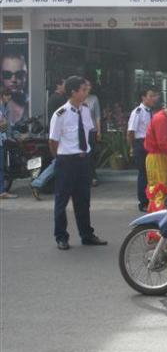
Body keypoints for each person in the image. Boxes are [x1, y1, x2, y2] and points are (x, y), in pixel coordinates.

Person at [48, 76, 107, 250]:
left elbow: (89, 132)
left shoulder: (85, 110)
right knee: (62, 200)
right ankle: (61, 237)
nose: (86, 92)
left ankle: (87, 235)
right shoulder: (60, 114)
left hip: (83, 161)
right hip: (67, 161)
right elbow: (53, 141)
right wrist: (59, 158)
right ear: (73, 92)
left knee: (83, 200)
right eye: (83, 90)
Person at [127, 87, 159, 212]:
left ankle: (150, 198)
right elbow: (131, 131)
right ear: (143, 97)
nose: (153, 99)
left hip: (150, 143)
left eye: (155, 96)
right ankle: (143, 201)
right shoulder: (138, 112)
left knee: (151, 173)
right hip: (140, 143)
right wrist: (132, 147)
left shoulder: (151, 111)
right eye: (151, 96)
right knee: (143, 174)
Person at [1, 49, 28, 125]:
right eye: (7, 74)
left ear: (26, 75)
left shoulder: (33, 104)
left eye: (19, 74)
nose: (13, 80)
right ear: (1, 76)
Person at [85, 78, 102, 187]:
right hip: (81, 132)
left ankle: (92, 176)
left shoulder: (94, 99)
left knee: (90, 154)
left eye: (90, 85)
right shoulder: (78, 100)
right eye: (86, 85)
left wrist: (99, 131)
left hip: (91, 131)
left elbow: (97, 116)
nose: (88, 87)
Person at [0, 87, 14, 199]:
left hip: (3, 138)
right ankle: (2, 191)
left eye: (9, 95)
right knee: (1, 166)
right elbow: (3, 124)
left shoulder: (5, 107)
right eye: (7, 95)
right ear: (2, 95)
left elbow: (6, 124)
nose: (8, 98)